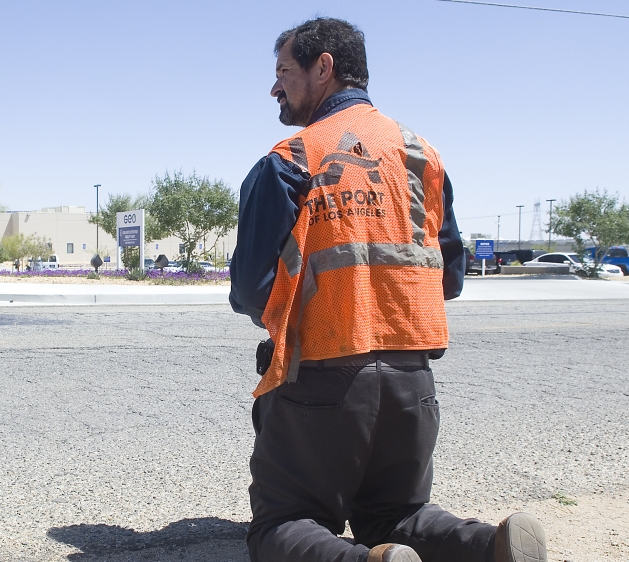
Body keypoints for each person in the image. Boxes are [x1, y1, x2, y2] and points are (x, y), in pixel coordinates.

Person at [229, 18, 547, 562]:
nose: (274, 87)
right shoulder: (421, 156)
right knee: (396, 515)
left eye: (283, 71)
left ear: (323, 67)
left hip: (320, 378)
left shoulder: (290, 160)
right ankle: (489, 544)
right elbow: (449, 276)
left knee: (283, 523)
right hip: (411, 379)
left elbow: (250, 289)